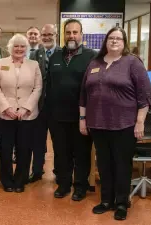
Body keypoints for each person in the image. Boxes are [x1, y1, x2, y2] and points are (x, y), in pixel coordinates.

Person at [79, 27, 151, 221]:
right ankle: (106, 201)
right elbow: (84, 94)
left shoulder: (132, 62)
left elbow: (145, 96)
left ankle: (121, 203)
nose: (114, 41)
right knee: (103, 164)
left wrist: (140, 122)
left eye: (118, 38)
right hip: (97, 123)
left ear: (124, 42)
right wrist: (82, 119)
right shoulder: (94, 63)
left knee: (121, 164)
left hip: (124, 124)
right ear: (106, 41)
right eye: (111, 38)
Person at [46, 19, 96, 201]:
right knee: (61, 153)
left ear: (81, 35)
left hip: (81, 117)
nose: (72, 36)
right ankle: (64, 185)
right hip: (57, 117)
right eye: (68, 32)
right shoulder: (55, 57)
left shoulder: (91, 57)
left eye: (75, 32)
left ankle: (80, 187)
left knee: (81, 154)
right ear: (63, 35)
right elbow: (49, 86)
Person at [0, 34, 42, 193]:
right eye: (16, 46)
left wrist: (26, 108)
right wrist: (6, 108)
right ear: (10, 48)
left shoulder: (34, 65)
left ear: (26, 48)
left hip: (27, 115)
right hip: (5, 114)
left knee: (24, 148)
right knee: (5, 149)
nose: (19, 49)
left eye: (22, 46)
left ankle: (20, 180)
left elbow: (38, 88)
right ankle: (6, 181)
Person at [28, 24, 62, 183]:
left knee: (59, 141)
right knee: (37, 140)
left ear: (56, 35)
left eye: (50, 34)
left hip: (58, 106)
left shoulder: (64, 53)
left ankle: (60, 171)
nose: (47, 37)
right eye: (44, 35)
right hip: (39, 105)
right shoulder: (34, 55)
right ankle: (36, 170)